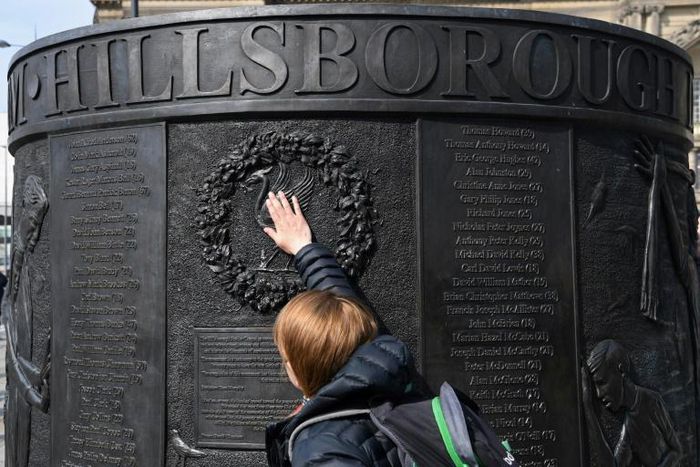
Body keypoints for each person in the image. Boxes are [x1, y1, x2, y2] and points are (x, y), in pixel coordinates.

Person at [263, 191, 425, 467]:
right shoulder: (397, 383)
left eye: (285, 355)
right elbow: (342, 320)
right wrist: (305, 250)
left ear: (299, 367)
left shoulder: (321, 451)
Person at [581, 340, 681, 466]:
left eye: (602, 382)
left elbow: (677, 450)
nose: (599, 394)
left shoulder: (652, 401)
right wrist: (588, 407)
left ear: (621, 370)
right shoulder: (629, 427)